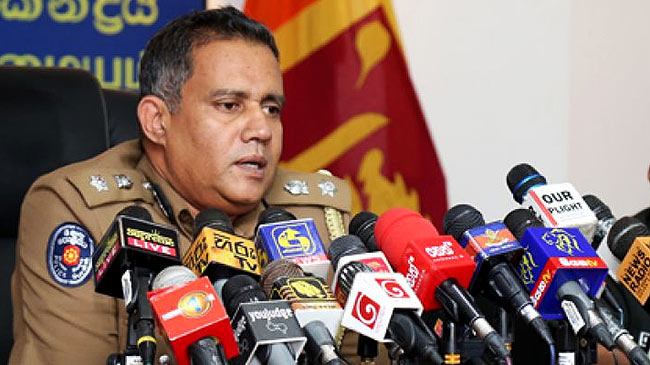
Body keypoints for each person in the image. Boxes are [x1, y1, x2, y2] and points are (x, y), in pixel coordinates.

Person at [9, 7, 353, 364]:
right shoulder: (81, 211)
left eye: (270, 108)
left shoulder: (317, 214)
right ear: (157, 121)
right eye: (230, 105)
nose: (262, 131)